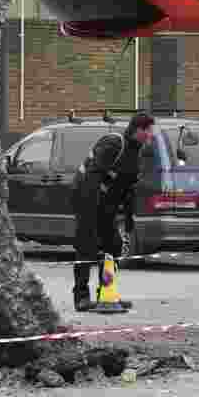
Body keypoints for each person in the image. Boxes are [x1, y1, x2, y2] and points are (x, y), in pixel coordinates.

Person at [72, 112, 156, 312]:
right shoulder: (114, 143)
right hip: (87, 200)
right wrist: (91, 212)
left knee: (113, 246)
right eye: (150, 131)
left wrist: (128, 218)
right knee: (87, 246)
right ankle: (81, 297)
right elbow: (92, 176)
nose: (151, 135)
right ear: (139, 130)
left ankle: (106, 294)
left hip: (108, 206)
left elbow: (128, 189)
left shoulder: (137, 153)